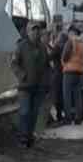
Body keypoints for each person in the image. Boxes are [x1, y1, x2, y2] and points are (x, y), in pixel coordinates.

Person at [12, 20, 50, 148]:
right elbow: (14, 64)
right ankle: (22, 137)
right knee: (25, 111)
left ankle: (29, 137)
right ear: (28, 32)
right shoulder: (21, 46)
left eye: (37, 30)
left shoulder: (42, 47)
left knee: (34, 113)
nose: (36, 32)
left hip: (39, 86)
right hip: (25, 86)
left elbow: (46, 66)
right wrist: (22, 75)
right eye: (33, 30)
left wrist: (46, 82)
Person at [60, 26, 83, 125]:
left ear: (72, 33)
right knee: (78, 96)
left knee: (67, 95)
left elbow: (65, 55)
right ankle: (78, 118)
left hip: (69, 72)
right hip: (80, 72)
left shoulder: (70, 42)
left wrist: (64, 62)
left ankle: (68, 118)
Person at [45, 19, 66, 126]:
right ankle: (60, 115)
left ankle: (58, 116)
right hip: (62, 72)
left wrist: (47, 47)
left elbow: (50, 56)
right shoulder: (63, 46)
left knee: (56, 95)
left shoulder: (58, 47)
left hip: (57, 73)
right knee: (60, 95)